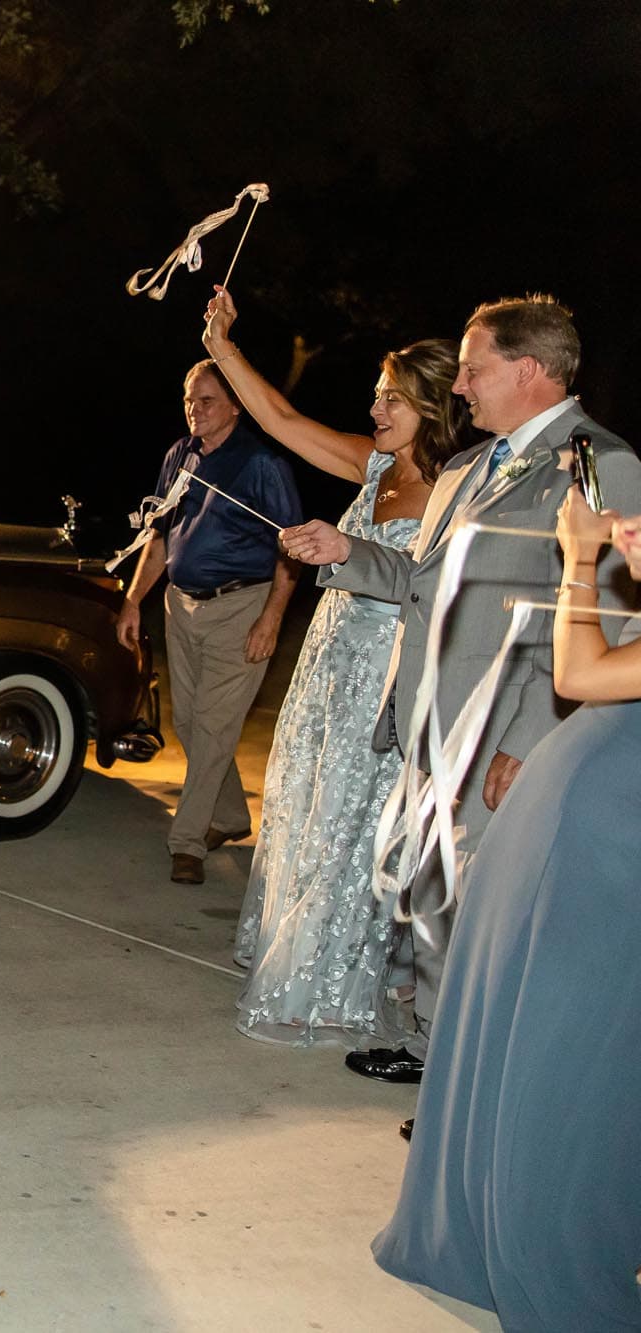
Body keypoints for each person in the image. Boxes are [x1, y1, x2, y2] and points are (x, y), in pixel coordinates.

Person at [282, 294, 641, 1087]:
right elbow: (426, 580)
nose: (460, 387)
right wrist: (346, 550)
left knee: (485, 911)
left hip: (499, 729)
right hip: (429, 717)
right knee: (434, 893)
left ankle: (473, 1082)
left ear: (529, 369)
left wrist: (529, 739)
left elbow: (602, 615)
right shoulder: (468, 465)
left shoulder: (600, 463)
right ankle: (433, 1050)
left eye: (474, 370)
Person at [371, 494, 641, 1328]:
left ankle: (550, 1237)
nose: (631, 523)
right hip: (573, 829)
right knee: (514, 1027)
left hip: (608, 851)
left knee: (569, 1053)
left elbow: (580, 674)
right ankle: (474, 1223)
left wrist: (580, 559)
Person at [200, 289, 466, 1045]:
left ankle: (329, 982)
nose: (377, 407)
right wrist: (223, 346)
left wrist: (348, 549)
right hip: (327, 660)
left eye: (394, 397)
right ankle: (296, 952)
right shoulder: (372, 463)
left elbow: (431, 578)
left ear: (432, 403)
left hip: (386, 672)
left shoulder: (457, 487)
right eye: (377, 394)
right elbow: (281, 422)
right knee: (307, 805)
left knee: (354, 821)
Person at [117, 360, 302, 885]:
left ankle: (187, 841)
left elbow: (292, 552)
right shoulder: (180, 455)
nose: (194, 410)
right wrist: (134, 601)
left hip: (241, 607)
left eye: (207, 401)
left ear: (237, 404)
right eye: (188, 399)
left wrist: (271, 619)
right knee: (191, 724)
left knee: (217, 727)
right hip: (182, 604)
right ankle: (230, 816)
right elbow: (159, 536)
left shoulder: (263, 464)